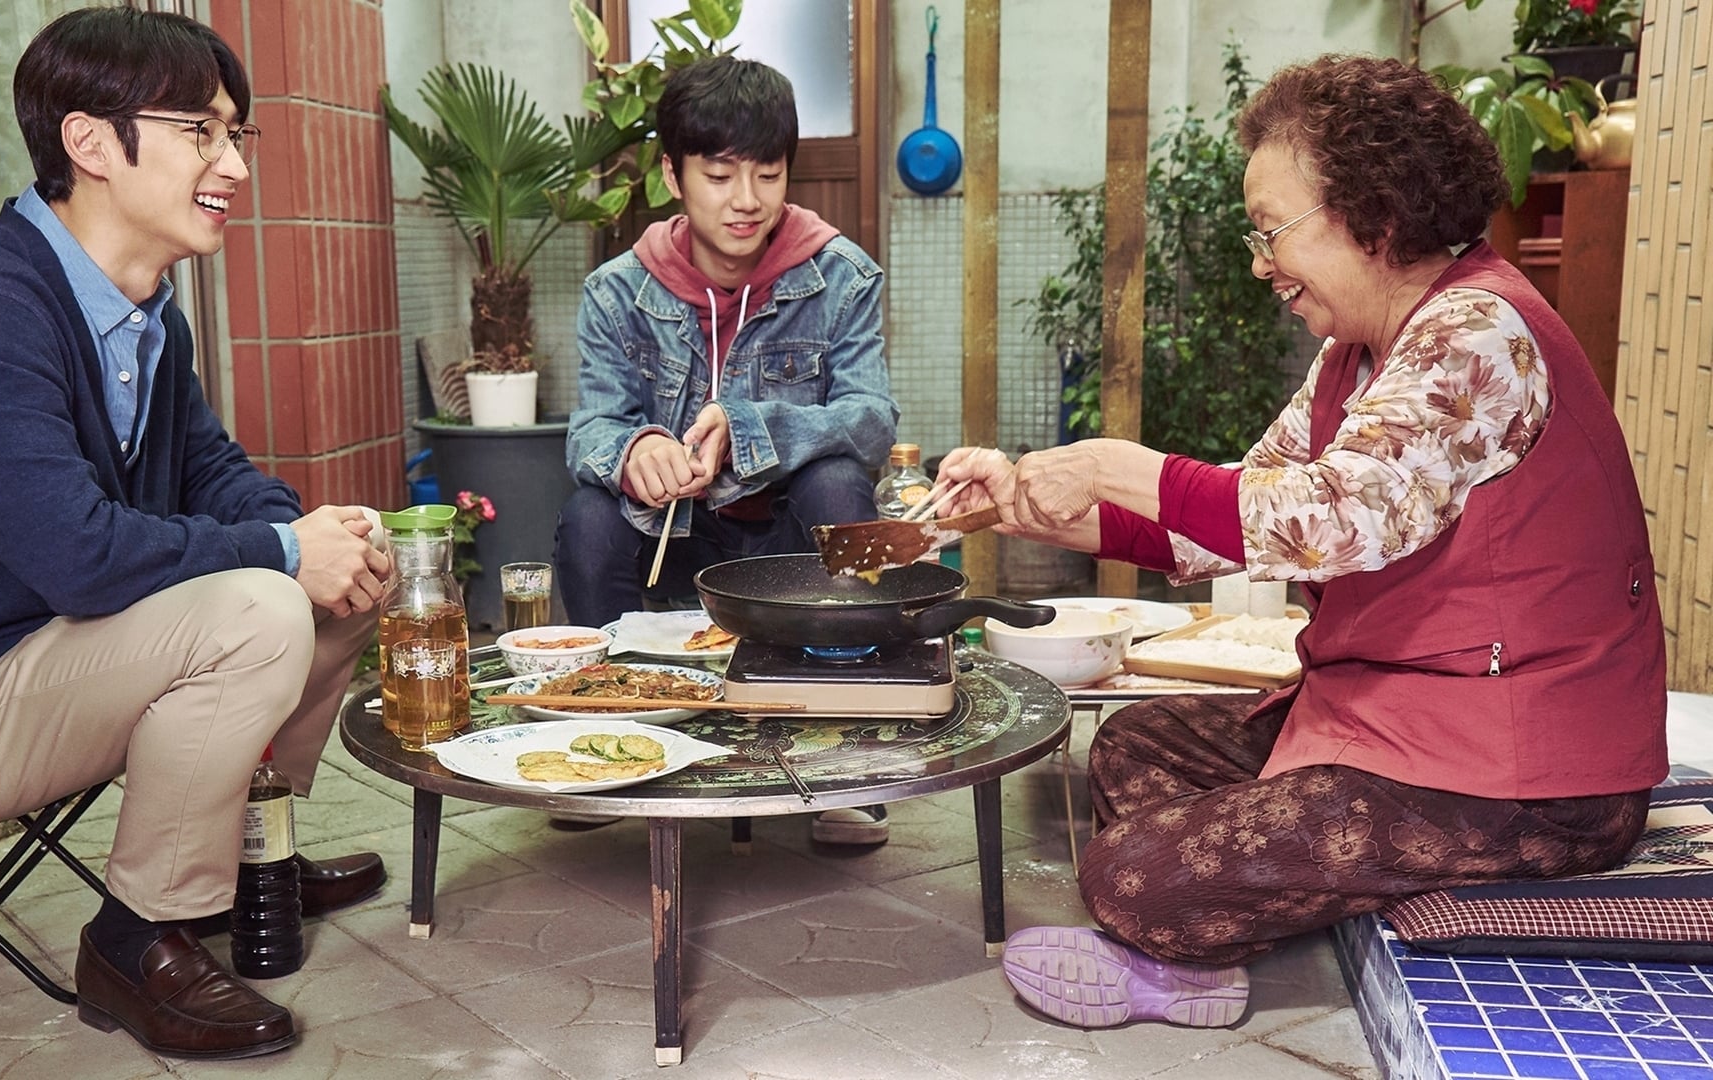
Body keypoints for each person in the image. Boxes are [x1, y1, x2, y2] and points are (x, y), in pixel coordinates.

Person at [939, 54, 1665, 1029]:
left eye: (1272, 229)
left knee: (1130, 877)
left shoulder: (1479, 334)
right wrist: (1021, 501)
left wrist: (1110, 465)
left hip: (1523, 775)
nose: (1260, 263)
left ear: (1375, 212)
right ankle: (1263, 906)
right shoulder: (1357, 355)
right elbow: (1242, 519)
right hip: (1400, 722)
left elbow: (1331, 519)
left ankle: (1199, 946)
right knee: (1132, 744)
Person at [0, 8, 390, 1060]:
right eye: (201, 132)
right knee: (264, 602)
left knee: (348, 564)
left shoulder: (147, 313)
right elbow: (80, 557)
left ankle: (247, 854)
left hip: (65, 654)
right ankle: (136, 943)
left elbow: (212, 472)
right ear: (89, 141)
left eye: (236, 134)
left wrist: (314, 539)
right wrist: (283, 555)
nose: (234, 165)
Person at [554, 55, 901, 845]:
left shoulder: (841, 277)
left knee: (839, 483)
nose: (747, 200)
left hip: (785, 545)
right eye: (718, 175)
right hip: (671, 537)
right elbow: (590, 431)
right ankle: (610, 737)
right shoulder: (617, 290)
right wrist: (635, 451)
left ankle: (842, 757)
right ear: (672, 175)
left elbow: (872, 420)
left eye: (768, 174)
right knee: (589, 515)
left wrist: (754, 429)